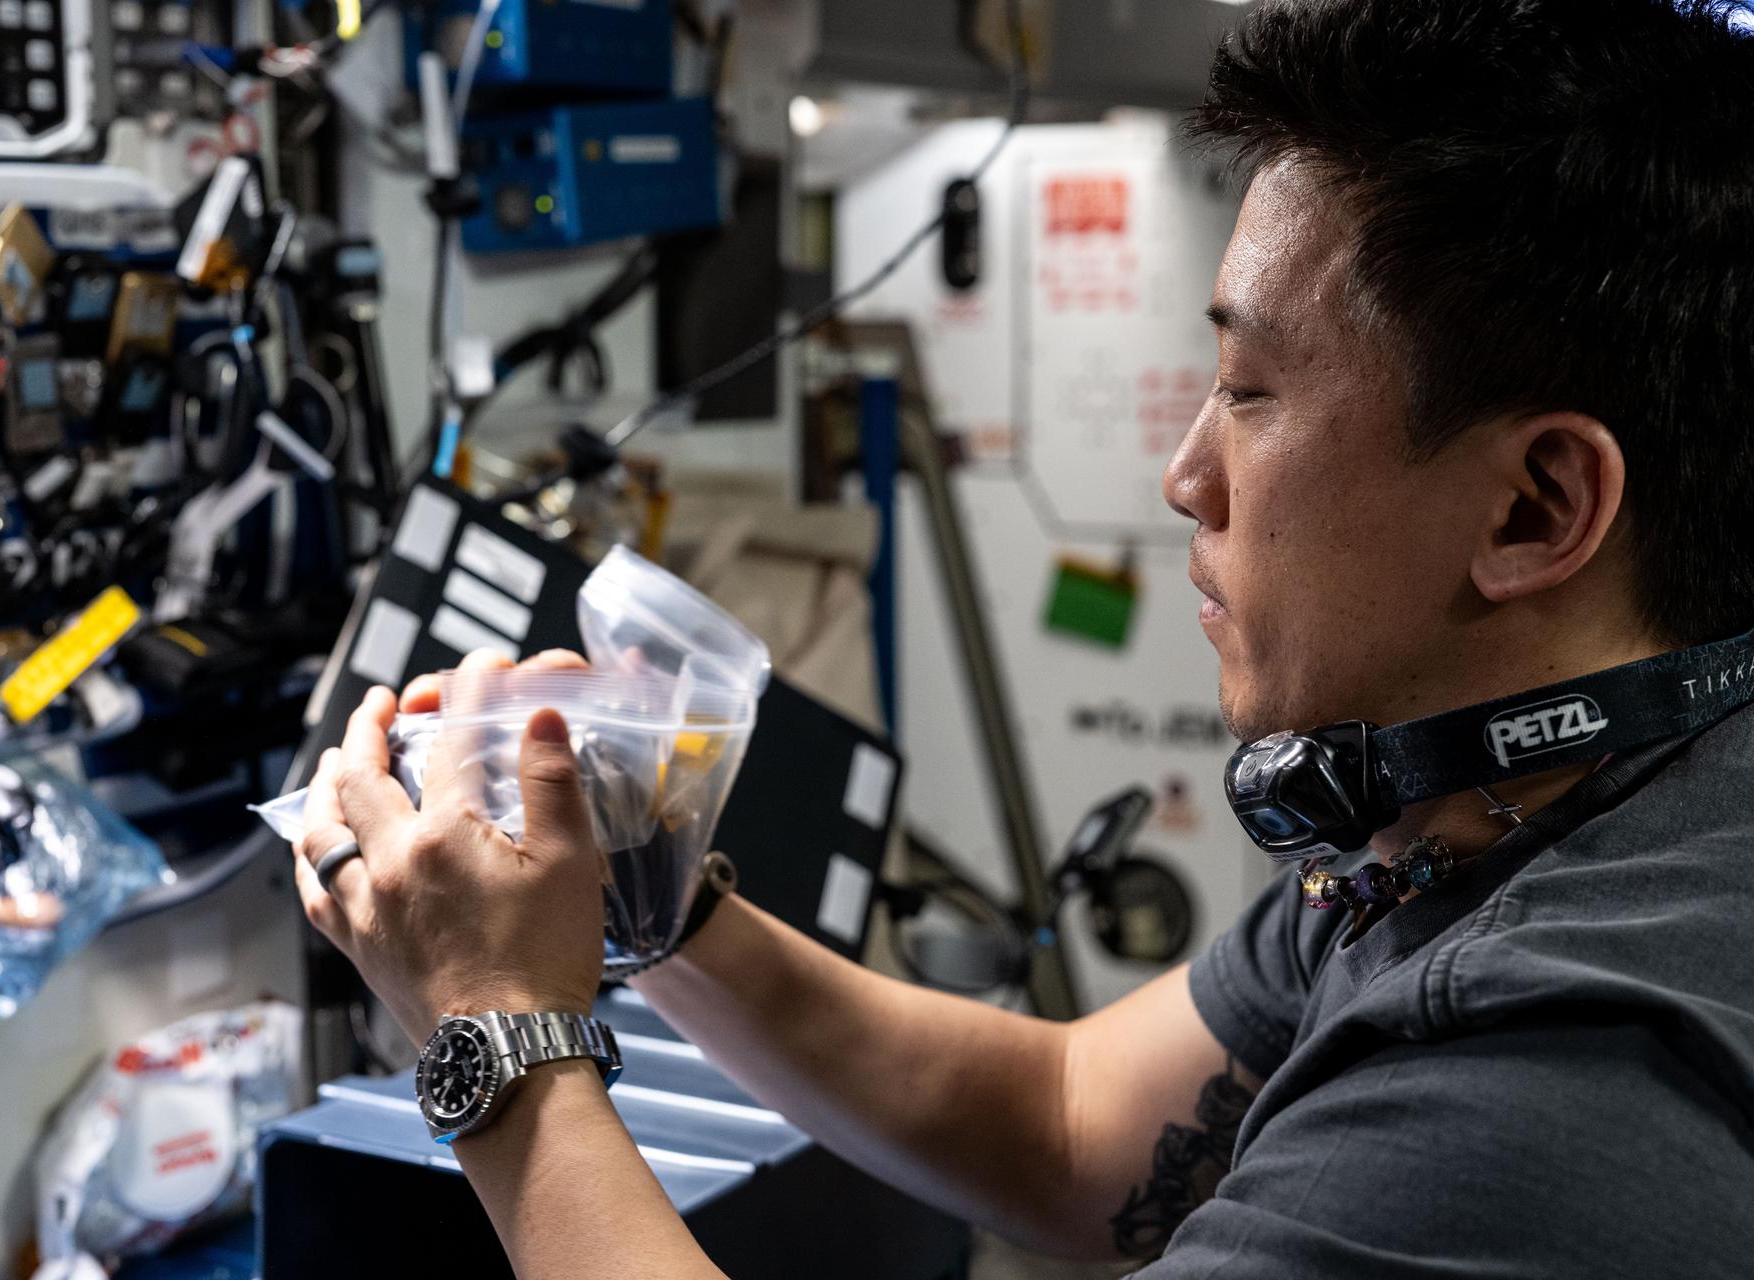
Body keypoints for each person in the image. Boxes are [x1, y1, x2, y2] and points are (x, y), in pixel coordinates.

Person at [289, 0, 1754, 1272]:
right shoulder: (1486, 821)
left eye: (1250, 392)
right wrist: (648, 900)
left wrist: (492, 1036)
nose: (1187, 475)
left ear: (1535, 507)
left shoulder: (1546, 1082)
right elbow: (1067, 1130)